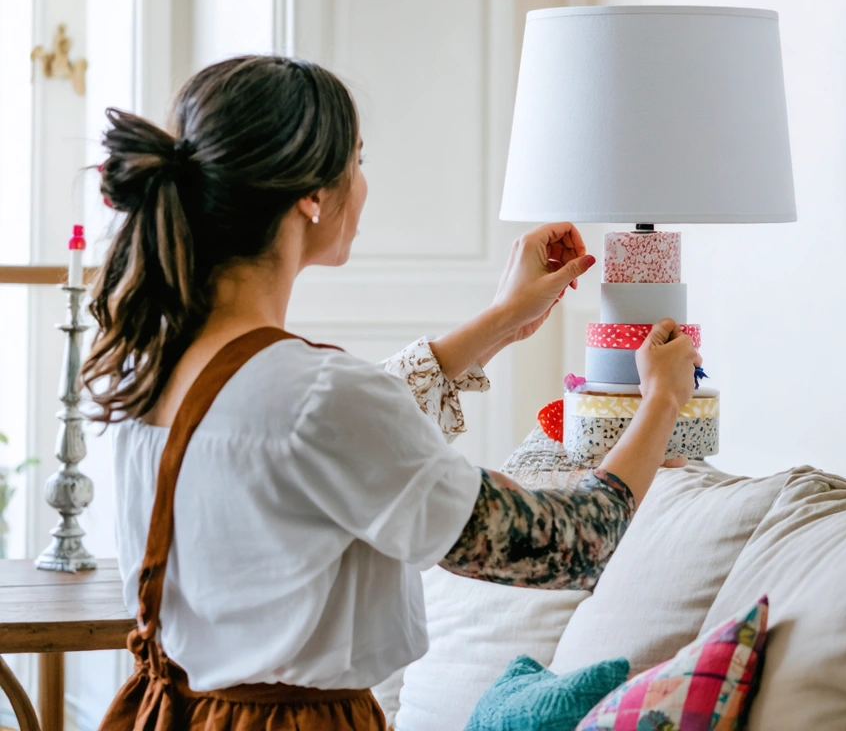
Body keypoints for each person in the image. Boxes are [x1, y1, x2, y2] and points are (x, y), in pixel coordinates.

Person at [83, 55, 701, 731]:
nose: (363, 184)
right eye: (358, 160)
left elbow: (327, 432)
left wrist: (501, 320)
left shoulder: (145, 369)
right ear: (311, 196)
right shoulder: (316, 396)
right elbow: (567, 544)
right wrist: (662, 401)